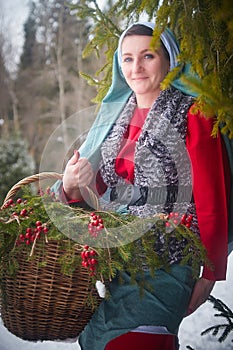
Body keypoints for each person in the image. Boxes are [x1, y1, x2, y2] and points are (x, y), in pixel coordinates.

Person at [58, 22, 230, 349]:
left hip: (171, 257)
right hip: (119, 260)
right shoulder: (115, 116)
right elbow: (94, 193)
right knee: (96, 341)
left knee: (138, 342)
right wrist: (71, 186)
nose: (135, 68)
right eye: (127, 58)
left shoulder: (194, 112)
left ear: (169, 60)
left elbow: (212, 198)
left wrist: (211, 272)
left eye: (147, 56)